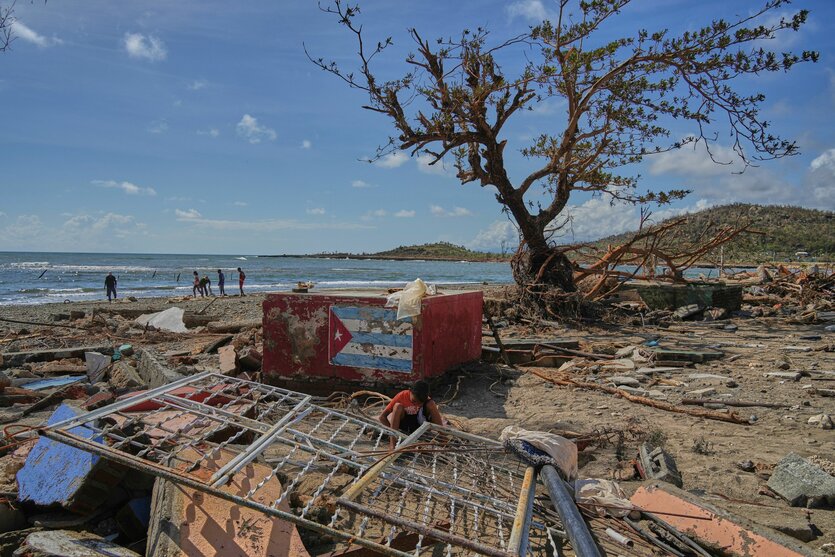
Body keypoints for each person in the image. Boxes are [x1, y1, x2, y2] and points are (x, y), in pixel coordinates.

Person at [379, 381, 444, 448]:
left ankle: (443, 439)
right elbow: (382, 417)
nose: (416, 404)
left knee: (431, 404)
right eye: (414, 401)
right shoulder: (402, 396)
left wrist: (442, 435)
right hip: (404, 425)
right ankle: (393, 444)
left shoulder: (427, 400)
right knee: (398, 406)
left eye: (420, 403)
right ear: (410, 391)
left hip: (419, 427)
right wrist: (393, 434)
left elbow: (435, 419)